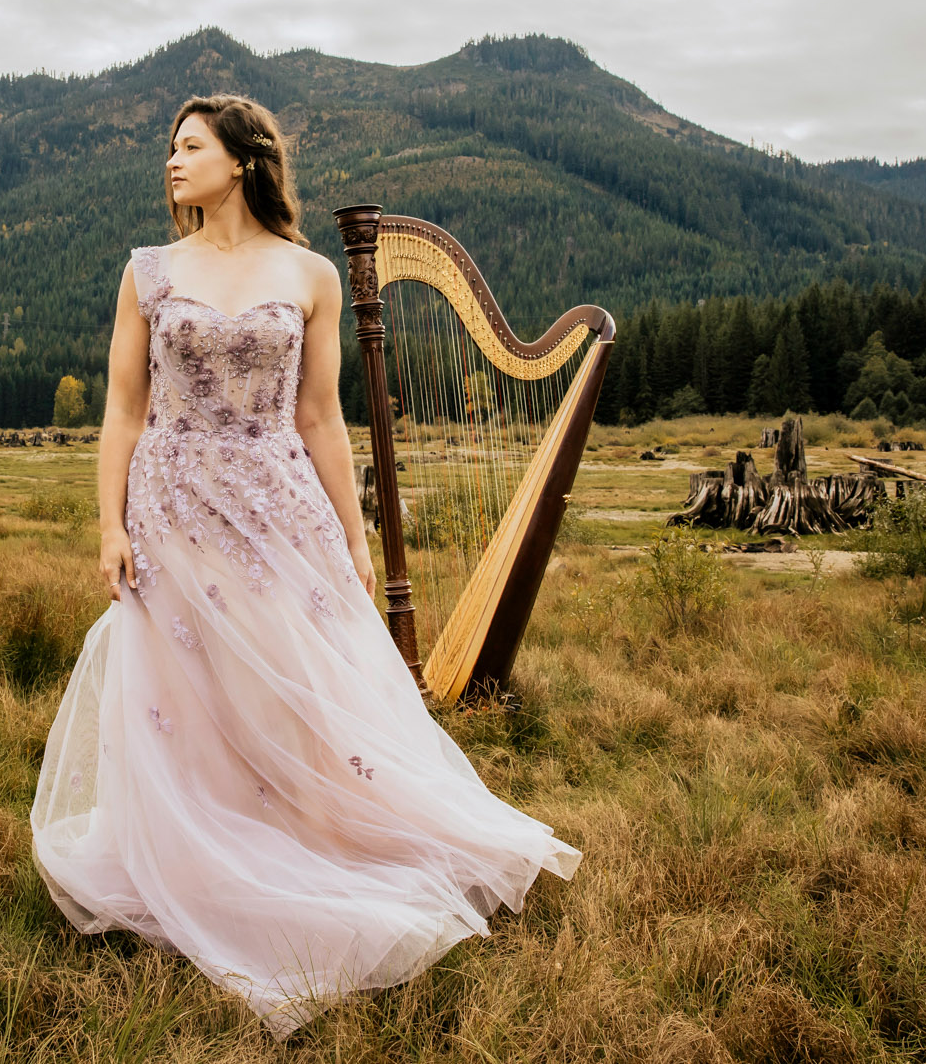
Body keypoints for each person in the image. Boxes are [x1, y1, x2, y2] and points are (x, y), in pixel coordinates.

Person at [30, 93, 579, 1037]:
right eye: (170, 146)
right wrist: (108, 522)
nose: (171, 160)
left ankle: (307, 837)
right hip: (172, 502)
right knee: (187, 689)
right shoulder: (148, 273)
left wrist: (355, 534)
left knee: (290, 681)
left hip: (277, 501)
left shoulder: (313, 273)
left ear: (241, 161)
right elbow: (123, 407)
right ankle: (199, 853)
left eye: (189, 145)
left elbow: (321, 416)